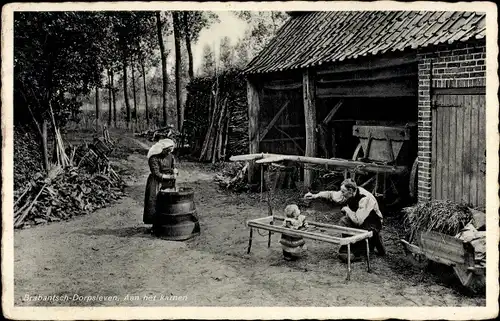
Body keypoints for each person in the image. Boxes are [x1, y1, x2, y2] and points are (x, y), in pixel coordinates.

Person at [304, 178, 386, 262]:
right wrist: (314, 195)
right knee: (344, 221)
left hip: (372, 223)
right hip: (359, 218)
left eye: (343, 192)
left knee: (361, 250)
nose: (342, 194)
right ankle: (349, 247)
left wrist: (347, 209)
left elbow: (358, 221)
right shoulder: (348, 192)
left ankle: (374, 239)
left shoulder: (365, 198)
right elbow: (331, 194)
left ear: (350, 190)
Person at [143, 139, 178, 224]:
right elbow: (156, 173)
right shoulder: (153, 158)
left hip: (169, 182)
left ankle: (167, 224)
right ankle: (155, 225)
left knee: (169, 203)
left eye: (171, 150)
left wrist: (175, 172)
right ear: (163, 149)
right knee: (155, 202)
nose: (169, 152)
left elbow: (174, 167)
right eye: (168, 151)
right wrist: (169, 177)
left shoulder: (171, 156)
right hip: (156, 182)